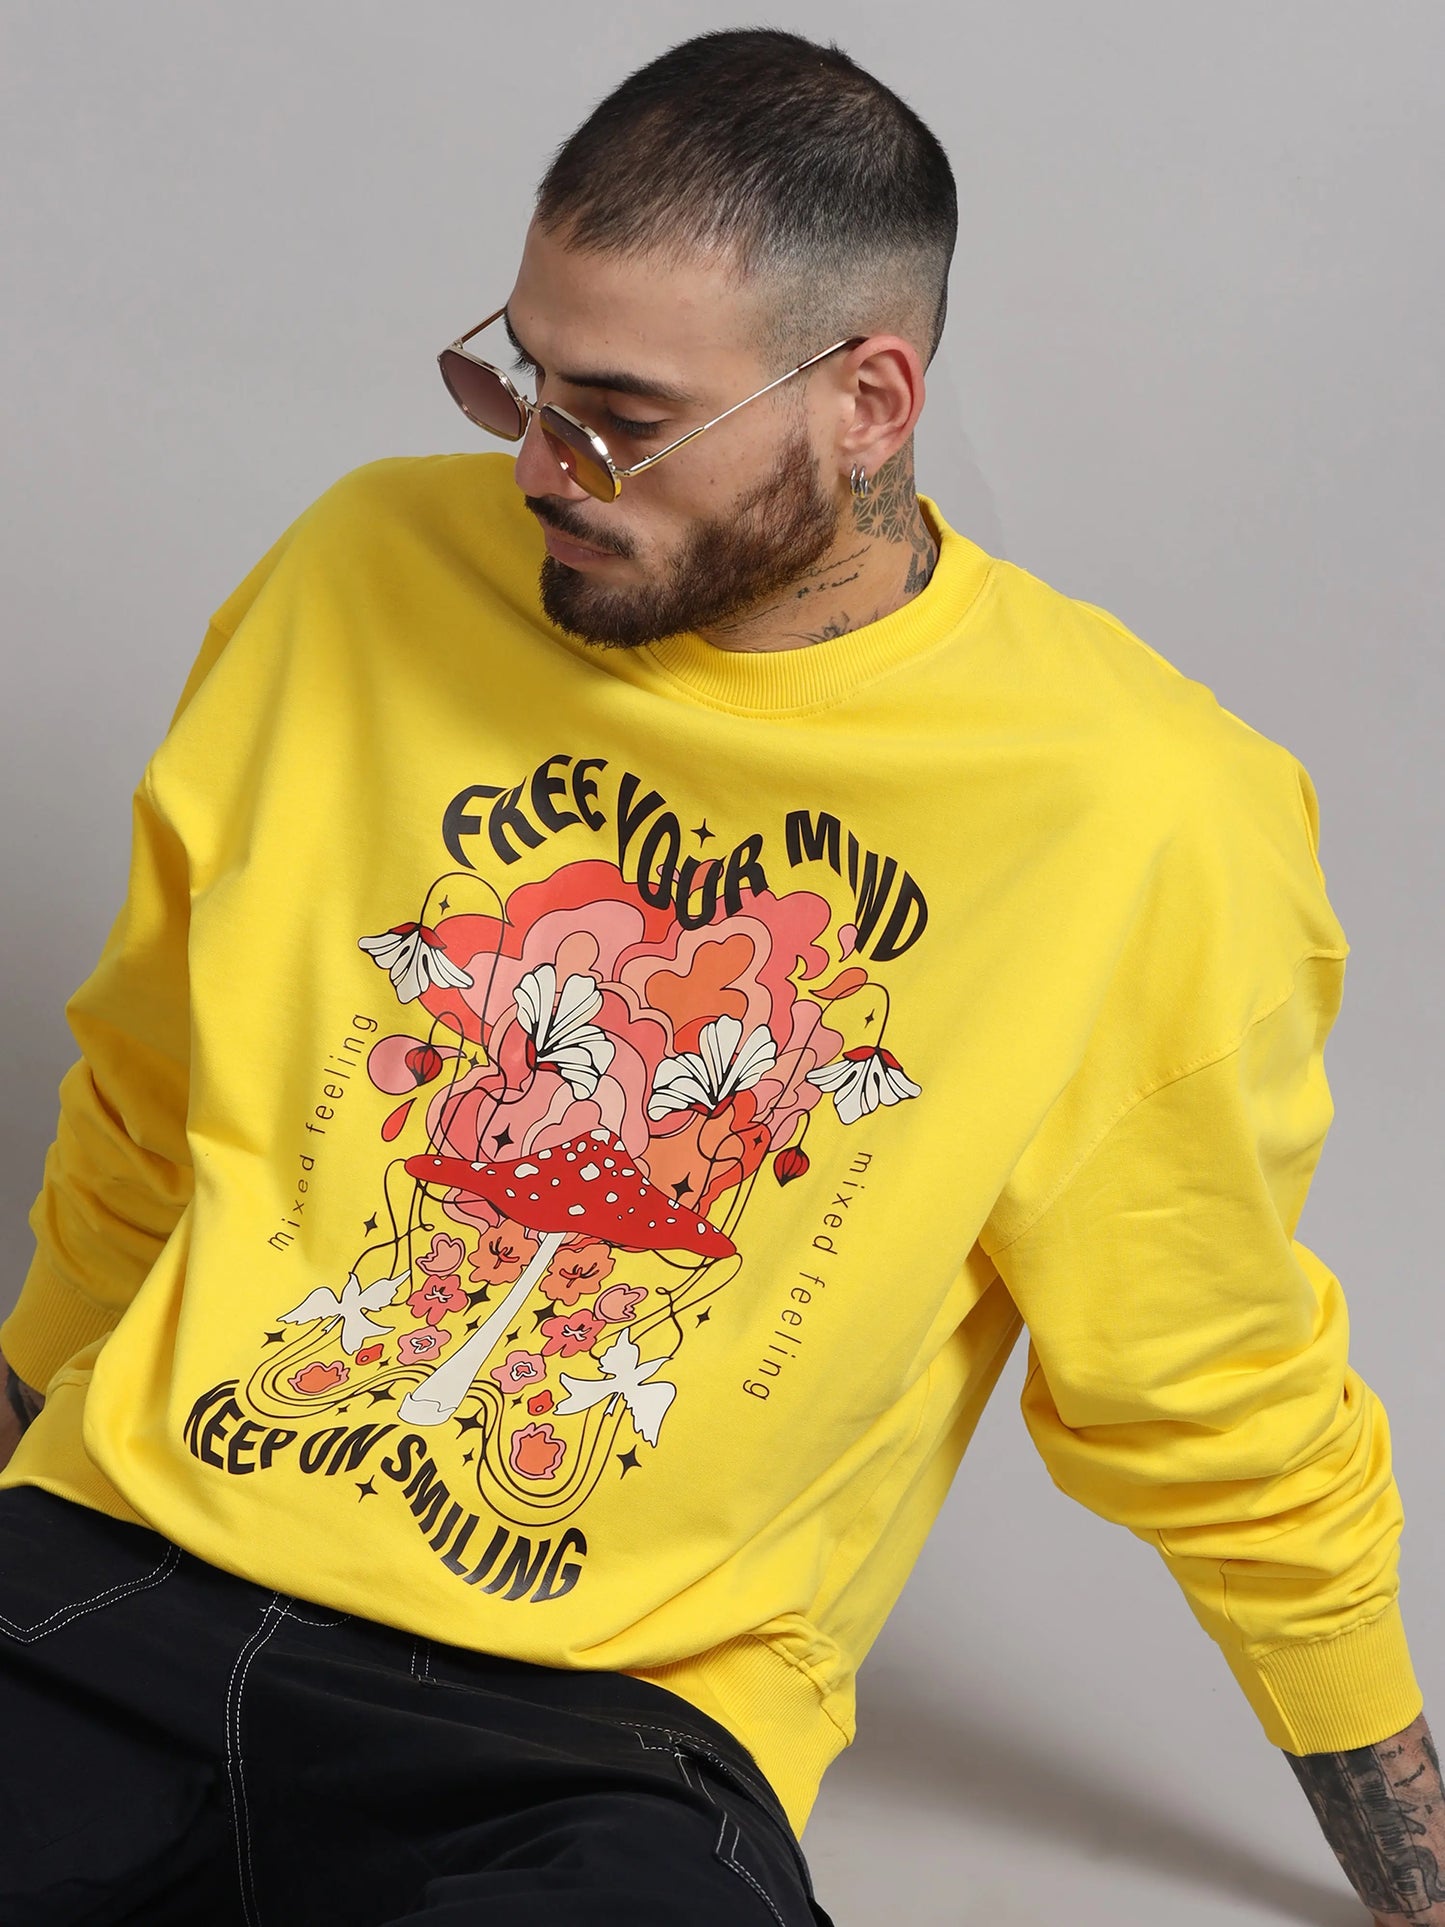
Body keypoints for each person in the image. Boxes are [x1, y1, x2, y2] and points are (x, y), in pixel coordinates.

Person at [1, 26, 1439, 1927]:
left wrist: (1413, 1865)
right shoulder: (357, 574)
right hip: (116, 1575)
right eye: (520, 379)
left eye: (617, 414)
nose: (539, 465)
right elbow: (148, 1095)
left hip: (597, 1736)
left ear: (868, 399)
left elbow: (1201, 1372)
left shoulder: (1133, 813)